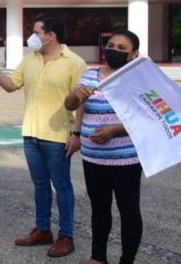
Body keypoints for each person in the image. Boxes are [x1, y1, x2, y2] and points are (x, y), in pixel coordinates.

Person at [0, 14, 86, 257]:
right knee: (40, 186)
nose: (32, 36)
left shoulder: (74, 62)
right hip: (31, 134)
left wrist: (76, 133)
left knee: (62, 186)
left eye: (37, 32)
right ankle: (43, 230)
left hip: (59, 136)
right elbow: (10, 86)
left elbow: (81, 100)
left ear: (51, 35)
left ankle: (66, 235)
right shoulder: (30, 60)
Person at [64, 30, 143, 264]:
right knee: (99, 208)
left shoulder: (138, 81)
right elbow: (70, 105)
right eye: (111, 45)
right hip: (93, 157)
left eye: (122, 48)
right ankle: (98, 257)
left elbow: (147, 116)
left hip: (125, 159)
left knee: (128, 211)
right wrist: (76, 96)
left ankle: (127, 260)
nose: (114, 51)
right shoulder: (90, 75)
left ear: (134, 54)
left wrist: (115, 130)